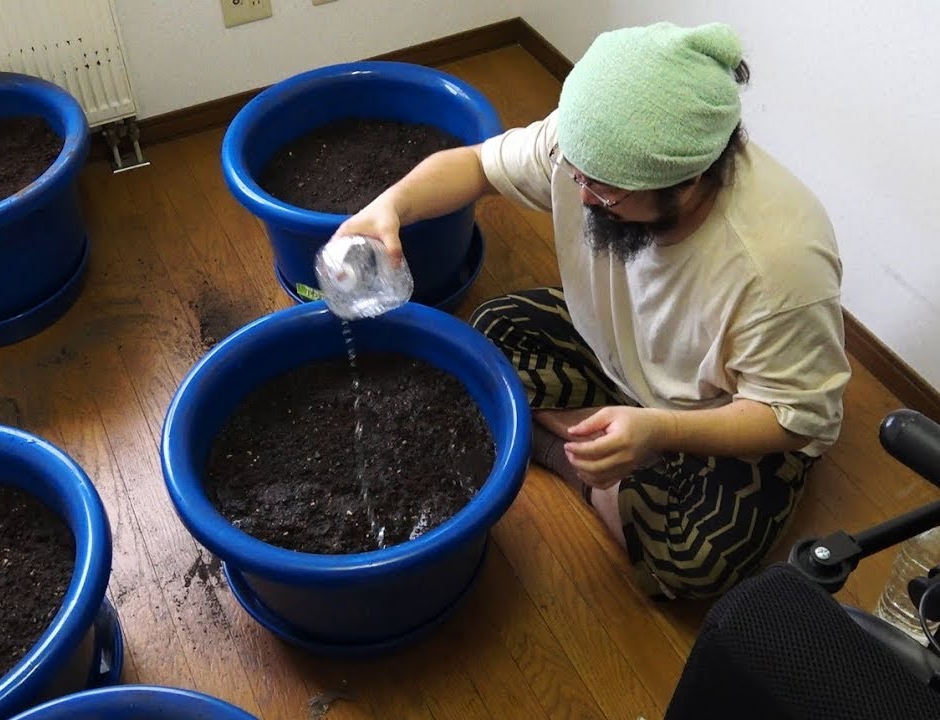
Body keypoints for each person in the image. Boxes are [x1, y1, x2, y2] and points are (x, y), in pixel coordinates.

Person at [335, 21, 852, 601]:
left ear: (688, 183)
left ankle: (583, 444)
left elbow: (794, 416)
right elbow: (477, 165)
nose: (582, 196)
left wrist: (661, 430)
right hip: (625, 350)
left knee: (689, 564)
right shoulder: (588, 151)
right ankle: (594, 453)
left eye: (604, 193)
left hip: (724, 405)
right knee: (488, 335)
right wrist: (391, 205)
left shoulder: (778, 266)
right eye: (578, 175)